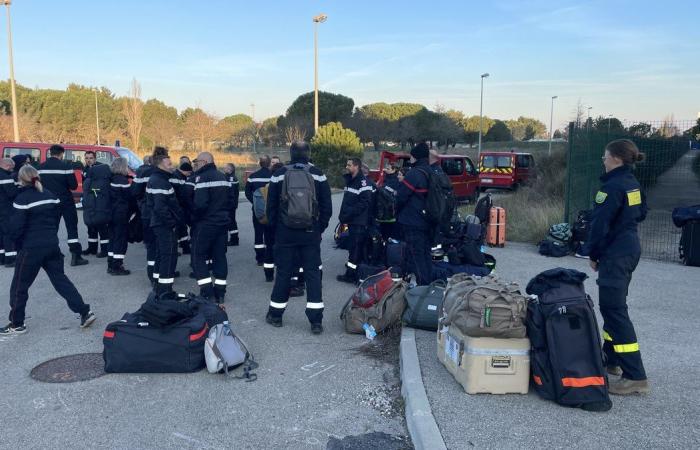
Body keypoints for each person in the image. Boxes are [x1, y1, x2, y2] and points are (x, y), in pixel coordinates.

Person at [581, 139, 650, 395]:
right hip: (629, 249)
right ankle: (611, 361)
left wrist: (593, 252)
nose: (603, 159)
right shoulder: (631, 183)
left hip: (615, 253)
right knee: (613, 306)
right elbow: (642, 212)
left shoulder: (611, 188)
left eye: (605, 156)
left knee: (614, 310)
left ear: (617, 160)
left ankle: (636, 376)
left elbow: (600, 225)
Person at [1, 165, 96, 335]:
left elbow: (15, 228)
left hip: (30, 248)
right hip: (51, 245)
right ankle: (84, 311)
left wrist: (15, 243)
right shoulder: (50, 195)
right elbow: (55, 218)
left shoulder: (22, 200)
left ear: (21, 180)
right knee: (61, 281)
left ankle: (17, 323)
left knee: (19, 287)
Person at [265, 141, 332, 334]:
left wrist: (276, 229)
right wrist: (320, 228)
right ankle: (316, 321)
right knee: (312, 274)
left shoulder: (279, 174)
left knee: (284, 273)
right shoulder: (318, 173)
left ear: (291, 154)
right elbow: (327, 206)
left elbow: (271, 207)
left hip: (285, 233)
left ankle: (275, 315)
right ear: (308, 154)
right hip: (310, 232)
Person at [38, 145, 88, 266]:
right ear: (61, 154)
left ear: (50, 153)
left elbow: (38, 184)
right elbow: (73, 186)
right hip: (66, 201)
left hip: (49, 201)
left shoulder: (41, 167)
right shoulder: (66, 166)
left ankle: (52, 254)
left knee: (51, 228)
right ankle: (75, 256)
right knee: (71, 227)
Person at [190, 152, 231, 303]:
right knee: (219, 256)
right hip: (222, 222)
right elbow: (231, 201)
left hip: (206, 223)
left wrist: (194, 218)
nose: (196, 165)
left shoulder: (202, 178)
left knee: (197, 255)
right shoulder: (223, 177)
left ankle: (207, 291)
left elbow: (200, 204)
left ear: (205, 161)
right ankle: (220, 292)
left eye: (198, 162)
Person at [145, 147, 183, 296]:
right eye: (169, 164)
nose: (172, 166)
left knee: (161, 254)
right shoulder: (160, 181)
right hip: (164, 225)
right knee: (169, 256)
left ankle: (158, 284)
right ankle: (165, 290)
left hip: (159, 223)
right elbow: (161, 207)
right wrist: (172, 223)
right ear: (160, 165)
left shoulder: (158, 179)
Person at [396, 142, 433, 285]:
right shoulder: (431, 172)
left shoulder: (414, 174)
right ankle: (428, 285)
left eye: (411, 156)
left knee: (416, 256)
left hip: (414, 221)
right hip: (428, 221)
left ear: (415, 157)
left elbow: (400, 197)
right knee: (425, 255)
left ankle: (422, 289)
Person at [337, 158, 372, 283]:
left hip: (358, 221)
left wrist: (350, 214)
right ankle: (351, 273)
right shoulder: (351, 181)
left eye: (349, 165)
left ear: (356, 166)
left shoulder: (363, 183)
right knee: (352, 247)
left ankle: (352, 275)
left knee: (356, 249)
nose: (347, 167)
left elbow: (364, 203)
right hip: (350, 220)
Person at [245, 155, 274, 278]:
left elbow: (247, 192)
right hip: (272, 210)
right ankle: (271, 255)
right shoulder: (274, 176)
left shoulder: (252, 177)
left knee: (258, 233)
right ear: (269, 164)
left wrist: (256, 203)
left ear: (259, 163)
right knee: (270, 234)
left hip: (257, 211)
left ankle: (260, 258)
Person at [131, 155, 157, 283]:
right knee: (164, 246)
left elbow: (134, 191)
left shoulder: (141, 173)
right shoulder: (168, 173)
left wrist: (141, 203)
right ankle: (164, 273)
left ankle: (152, 275)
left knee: (151, 245)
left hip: (147, 213)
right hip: (162, 215)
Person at [108, 157, 133, 276]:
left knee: (112, 238)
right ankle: (117, 265)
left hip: (110, 213)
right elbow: (129, 197)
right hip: (121, 214)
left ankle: (110, 263)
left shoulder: (110, 178)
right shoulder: (122, 181)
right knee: (120, 239)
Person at [81, 150, 107, 257]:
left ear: (95, 159)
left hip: (99, 202)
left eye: (91, 158)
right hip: (90, 201)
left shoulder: (101, 168)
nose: (88, 160)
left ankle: (105, 250)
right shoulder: (85, 169)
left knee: (102, 227)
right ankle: (92, 249)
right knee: (91, 226)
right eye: (86, 158)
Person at [170, 161, 194, 255]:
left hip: (177, 206)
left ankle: (184, 247)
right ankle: (185, 248)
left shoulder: (176, 175)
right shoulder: (179, 178)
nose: (189, 175)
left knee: (181, 228)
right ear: (186, 171)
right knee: (180, 227)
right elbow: (183, 194)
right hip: (179, 207)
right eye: (189, 173)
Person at [0, 158, 18, 267]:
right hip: (5, 210)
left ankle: (1, 258)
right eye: (12, 168)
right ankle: (10, 259)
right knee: (8, 234)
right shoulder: (6, 178)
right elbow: (12, 194)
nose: (13, 170)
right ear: (8, 166)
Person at [377, 163, 400, 242]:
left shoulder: (396, 181)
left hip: (390, 213)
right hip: (381, 212)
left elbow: (394, 198)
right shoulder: (385, 179)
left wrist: (381, 190)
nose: (385, 170)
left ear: (394, 170)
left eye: (388, 168)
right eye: (386, 168)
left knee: (388, 236)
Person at [223, 163, 240, 246]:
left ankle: (234, 239)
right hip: (232, 204)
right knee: (232, 221)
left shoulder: (230, 178)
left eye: (225, 167)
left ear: (230, 169)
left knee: (231, 222)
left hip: (229, 204)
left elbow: (230, 193)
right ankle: (234, 238)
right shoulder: (231, 177)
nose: (224, 169)